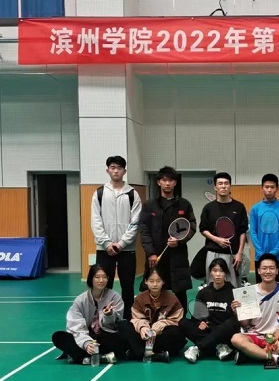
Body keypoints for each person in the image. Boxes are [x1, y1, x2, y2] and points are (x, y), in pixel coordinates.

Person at [139, 166, 196, 314]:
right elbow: (144, 230)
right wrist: (150, 252)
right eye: (164, 180)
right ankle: (153, 318)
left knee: (180, 291)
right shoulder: (149, 205)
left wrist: (180, 241)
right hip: (156, 256)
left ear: (175, 183)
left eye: (171, 180)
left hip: (178, 256)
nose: (167, 183)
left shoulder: (184, 204)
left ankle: (181, 320)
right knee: (155, 289)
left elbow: (192, 226)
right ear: (158, 182)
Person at [91, 155, 141, 320]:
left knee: (128, 287)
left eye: (119, 168)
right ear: (108, 170)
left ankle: (127, 320)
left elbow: (135, 222)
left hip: (127, 250)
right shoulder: (99, 193)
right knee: (104, 286)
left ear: (124, 171)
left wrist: (122, 243)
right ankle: (102, 320)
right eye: (112, 167)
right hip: (104, 249)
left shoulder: (132, 194)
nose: (116, 171)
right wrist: (106, 243)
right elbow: (96, 221)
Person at [231, 254, 279, 367]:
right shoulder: (249, 292)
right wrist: (237, 312)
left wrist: (275, 338)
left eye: (271, 268)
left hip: (276, 336)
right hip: (254, 335)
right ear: (258, 271)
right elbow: (245, 324)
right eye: (264, 268)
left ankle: (252, 355)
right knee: (236, 339)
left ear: (277, 271)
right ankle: (275, 358)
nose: (268, 271)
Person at [52, 264, 126, 364]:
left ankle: (82, 357)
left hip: (106, 336)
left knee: (122, 337)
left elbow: (116, 324)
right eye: (97, 277)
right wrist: (86, 343)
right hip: (87, 335)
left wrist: (109, 315)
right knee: (58, 336)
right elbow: (75, 326)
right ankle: (101, 357)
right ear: (91, 279)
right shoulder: (80, 300)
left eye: (104, 277)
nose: (101, 280)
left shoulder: (114, 297)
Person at [117, 267, 187, 363]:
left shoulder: (172, 298)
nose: (155, 284)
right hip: (142, 336)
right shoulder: (140, 298)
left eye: (158, 281)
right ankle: (155, 355)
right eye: (151, 281)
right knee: (123, 325)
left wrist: (162, 324)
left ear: (163, 282)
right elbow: (135, 318)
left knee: (177, 333)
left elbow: (177, 320)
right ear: (146, 281)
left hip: (160, 337)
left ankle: (138, 352)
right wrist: (142, 328)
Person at [180, 258, 240, 363]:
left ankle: (198, 348)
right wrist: (200, 322)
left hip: (224, 330)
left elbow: (236, 319)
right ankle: (219, 347)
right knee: (183, 323)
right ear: (210, 273)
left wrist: (236, 311)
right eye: (215, 270)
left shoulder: (234, 292)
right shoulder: (203, 293)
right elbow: (196, 317)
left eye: (221, 271)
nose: (218, 274)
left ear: (226, 273)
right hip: (208, 329)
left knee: (232, 323)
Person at [199, 172, 248, 287]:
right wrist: (217, 239)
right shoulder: (208, 208)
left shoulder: (239, 207)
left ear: (230, 186)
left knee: (233, 287)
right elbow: (203, 229)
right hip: (213, 252)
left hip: (233, 254)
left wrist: (240, 253)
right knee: (213, 285)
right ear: (215, 187)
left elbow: (242, 231)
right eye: (220, 184)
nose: (223, 186)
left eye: (226, 183)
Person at [249, 174, 279, 284]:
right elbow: (253, 232)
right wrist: (261, 252)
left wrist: (274, 252)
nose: (269, 190)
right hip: (260, 256)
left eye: (272, 187)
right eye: (266, 187)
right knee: (261, 289)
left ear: (277, 188)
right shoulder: (255, 208)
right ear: (262, 188)